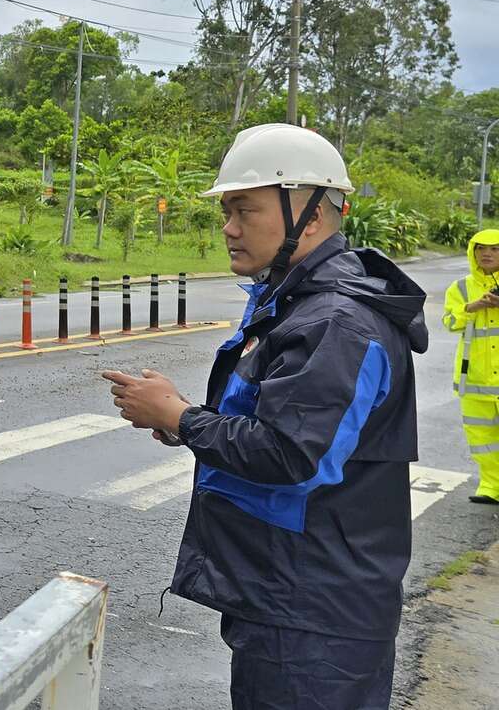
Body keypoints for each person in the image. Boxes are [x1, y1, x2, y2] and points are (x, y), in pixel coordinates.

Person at [101, 123, 426, 710]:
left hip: (314, 614)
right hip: (291, 596)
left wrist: (181, 419)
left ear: (312, 213)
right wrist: (187, 420)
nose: (228, 228)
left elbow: (291, 455)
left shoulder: (337, 323)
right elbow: (281, 421)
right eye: (226, 211)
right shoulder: (299, 303)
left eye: (244, 210)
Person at [444, 228, 499, 503]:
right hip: (475, 379)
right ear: (472, 252)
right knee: (483, 440)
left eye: (494, 248)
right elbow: (449, 323)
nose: (487, 253)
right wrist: (471, 307)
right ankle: (491, 486)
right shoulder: (461, 288)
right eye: (481, 248)